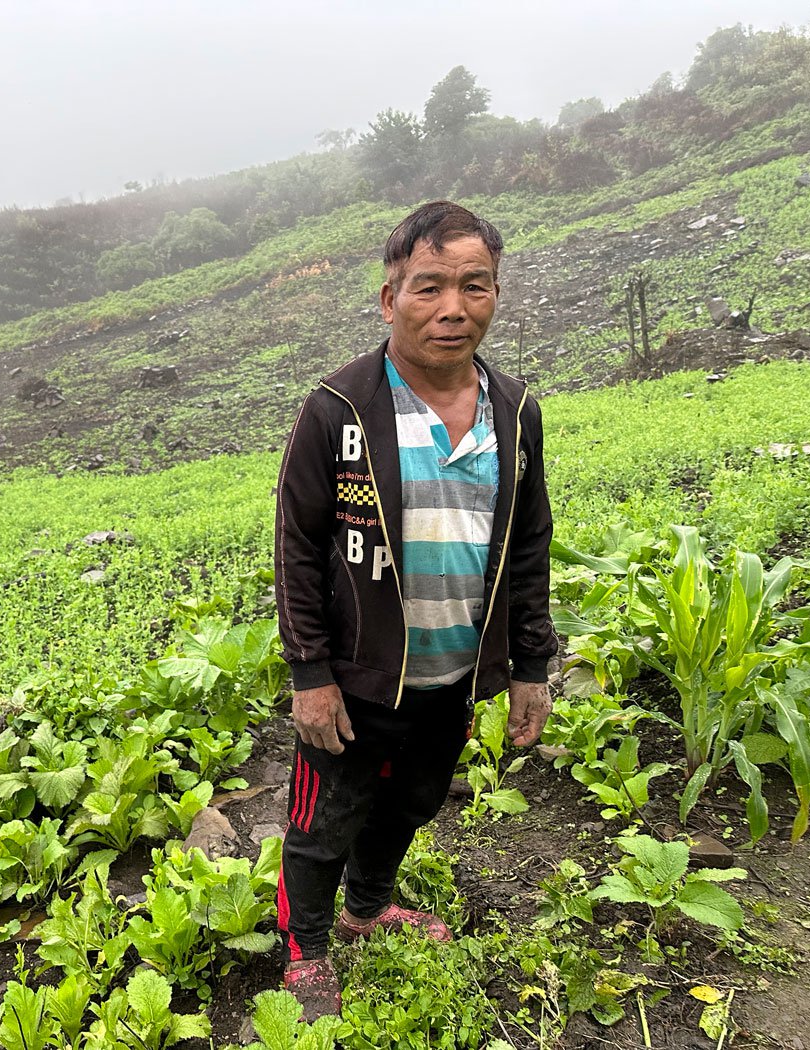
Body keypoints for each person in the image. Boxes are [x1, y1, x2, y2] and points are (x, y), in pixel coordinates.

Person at [272, 200, 557, 1019]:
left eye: (475, 286)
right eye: (428, 288)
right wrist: (311, 675)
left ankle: (368, 909)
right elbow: (296, 548)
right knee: (324, 817)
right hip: (359, 678)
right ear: (389, 297)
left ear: (497, 293)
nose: (453, 310)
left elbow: (529, 545)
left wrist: (530, 666)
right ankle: (306, 948)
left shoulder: (515, 410)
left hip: (453, 674)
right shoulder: (341, 410)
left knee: (412, 802)